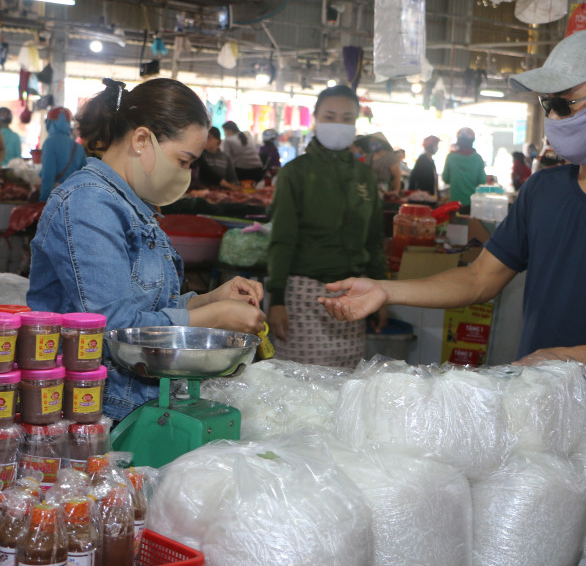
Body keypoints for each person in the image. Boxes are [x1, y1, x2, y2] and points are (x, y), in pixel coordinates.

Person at [320, 28, 586, 386]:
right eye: (547, 104)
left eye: (564, 103)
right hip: (535, 401)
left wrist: (572, 360)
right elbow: (478, 280)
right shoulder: (542, 190)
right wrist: (386, 291)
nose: (553, 118)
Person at [27, 78, 265, 420]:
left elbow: (153, 310)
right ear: (141, 140)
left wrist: (212, 299)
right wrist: (208, 320)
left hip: (139, 403)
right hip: (97, 412)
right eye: (183, 161)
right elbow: (113, 329)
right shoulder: (88, 204)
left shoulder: (132, 206)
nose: (186, 174)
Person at [267, 85, 388, 368]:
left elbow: (373, 241)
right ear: (316, 118)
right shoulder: (296, 173)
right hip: (304, 295)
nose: (338, 124)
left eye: (347, 118)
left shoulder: (364, 176)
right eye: (330, 116)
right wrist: (277, 300)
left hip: (352, 297)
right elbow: (282, 240)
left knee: (346, 386)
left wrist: (382, 295)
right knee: (303, 388)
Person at [39, 107, 86, 202]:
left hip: (56, 200)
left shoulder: (50, 143)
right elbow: (85, 177)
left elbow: (48, 176)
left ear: (51, 123)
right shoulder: (78, 147)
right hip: (74, 200)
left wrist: (43, 201)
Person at [442, 127, 487, 210]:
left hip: (454, 205)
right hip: (472, 204)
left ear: (458, 140)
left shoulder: (451, 157)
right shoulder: (478, 159)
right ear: (473, 141)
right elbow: (482, 181)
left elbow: (445, 178)